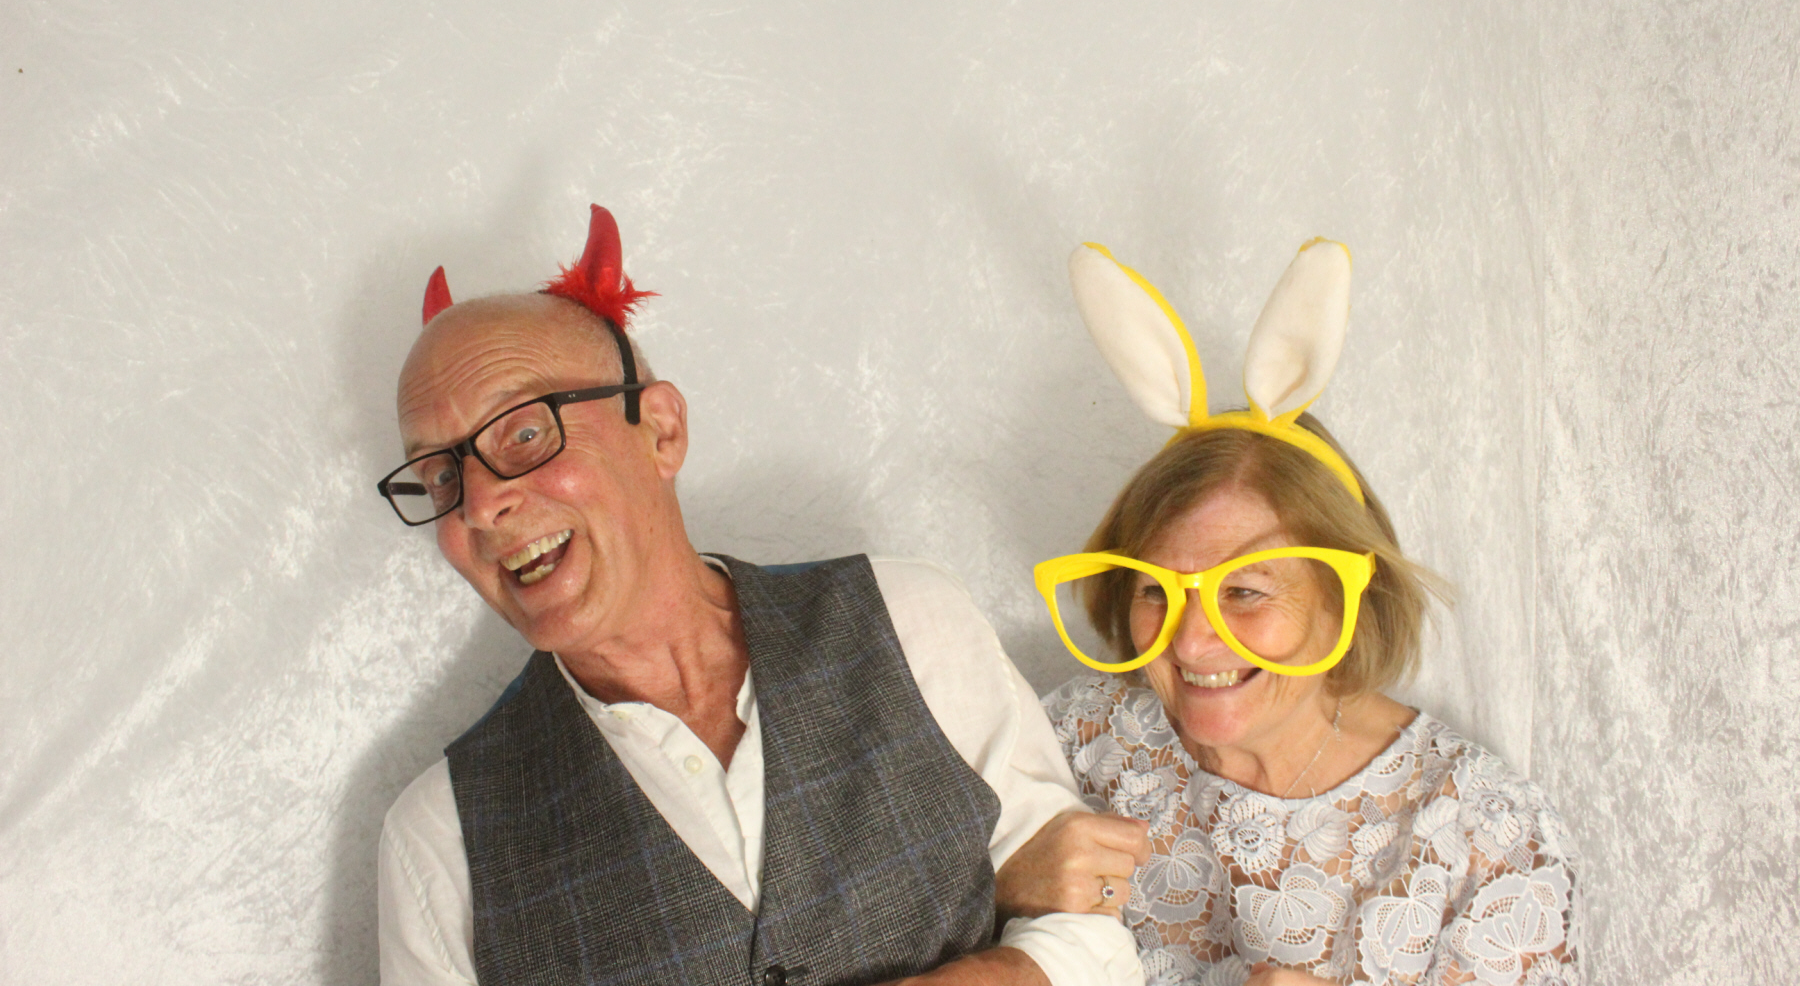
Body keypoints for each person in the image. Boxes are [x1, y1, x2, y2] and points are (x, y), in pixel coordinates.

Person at [373, 205, 1144, 986]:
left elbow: (1096, 932)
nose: (479, 505)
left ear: (661, 430)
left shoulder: (911, 622)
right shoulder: (437, 843)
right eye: (440, 473)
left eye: (523, 433)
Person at [1003, 241, 1582, 986]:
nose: (1191, 640)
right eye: (1156, 589)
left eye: (1244, 591)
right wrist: (1004, 878)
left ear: (1348, 596)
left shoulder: (1485, 836)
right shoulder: (1078, 740)